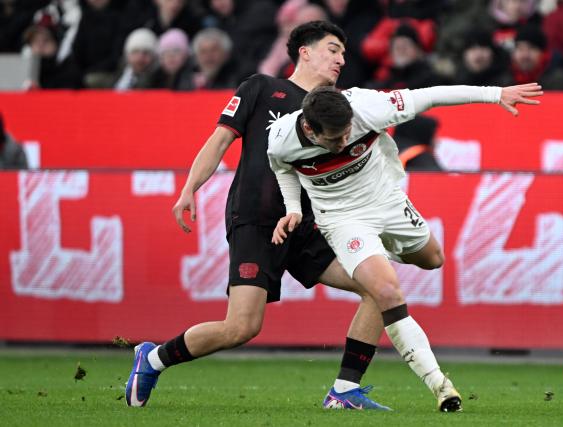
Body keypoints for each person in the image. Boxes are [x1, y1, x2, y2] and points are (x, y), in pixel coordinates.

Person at [125, 21, 390, 411]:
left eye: (344, 54)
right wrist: (189, 189)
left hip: (306, 224)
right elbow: (219, 141)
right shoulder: (261, 88)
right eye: (333, 49)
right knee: (241, 327)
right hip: (257, 220)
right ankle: (151, 359)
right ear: (305, 51)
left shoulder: (338, 110)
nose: (341, 59)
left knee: (380, 291)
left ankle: (344, 392)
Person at [266, 82, 543, 412]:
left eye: (347, 134)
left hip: (387, 201)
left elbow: (429, 97)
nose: (343, 143)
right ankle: (440, 384)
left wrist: (494, 94)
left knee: (433, 258)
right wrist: (293, 208)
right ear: (309, 128)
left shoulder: (368, 107)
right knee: (387, 293)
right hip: (343, 220)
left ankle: (377, 253)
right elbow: (282, 168)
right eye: (334, 138)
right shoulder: (281, 138)